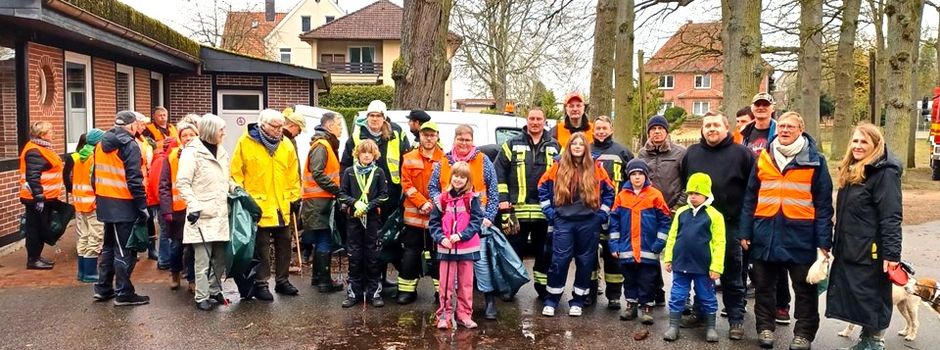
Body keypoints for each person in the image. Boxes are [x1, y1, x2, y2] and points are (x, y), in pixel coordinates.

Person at [739, 112, 834, 350]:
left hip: (800, 235)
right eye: (781, 126)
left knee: (804, 289)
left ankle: (804, 334)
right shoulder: (764, 158)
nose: (784, 130)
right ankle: (765, 328)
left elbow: (824, 205)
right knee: (763, 286)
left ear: (801, 130)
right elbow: (750, 197)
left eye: (790, 126)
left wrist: (824, 242)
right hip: (765, 233)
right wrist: (745, 231)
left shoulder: (816, 161)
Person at [826, 123, 902, 350]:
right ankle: (866, 341)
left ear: (876, 145)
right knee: (859, 296)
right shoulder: (855, 169)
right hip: (851, 246)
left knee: (872, 296)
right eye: (855, 141)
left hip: (872, 250)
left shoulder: (885, 173)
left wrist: (892, 254)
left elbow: (891, 216)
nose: (858, 146)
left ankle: (874, 343)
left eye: (864, 142)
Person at [680, 112, 754, 339]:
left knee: (732, 275)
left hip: (730, 225)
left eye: (716, 125)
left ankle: (736, 318)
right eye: (707, 125)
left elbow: (752, 192)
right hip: (700, 224)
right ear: (702, 129)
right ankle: (701, 312)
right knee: (701, 272)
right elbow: (685, 184)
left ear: (726, 127)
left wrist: (746, 228)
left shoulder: (743, 154)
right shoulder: (692, 154)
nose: (711, 129)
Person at [537, 132, 615, 317]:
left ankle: (578, 301)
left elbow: (610, 192)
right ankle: (551, 300)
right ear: (569, 147)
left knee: (585, 262)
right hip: (563, 222)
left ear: (586, 148)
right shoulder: (558, 166)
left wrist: (601, 215)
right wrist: (550, 213)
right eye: (574, 144)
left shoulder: (596, 168)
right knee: (559, 261)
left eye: (581, 144)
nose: (578, 146)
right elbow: (542, 187)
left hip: (589, 223)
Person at [428, 124, 499, 317]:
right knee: (451, 271)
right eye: (460, 139)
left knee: (481, 265)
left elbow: (493, 190)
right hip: (449, 224)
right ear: (454, 139)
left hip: (477, 221)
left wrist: (489, 216)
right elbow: (432, 187)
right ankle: (449, 310)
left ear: (473, 141)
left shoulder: (483, 160)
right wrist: (440, 203)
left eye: (467, 140)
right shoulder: (444, 161)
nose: (464, 143)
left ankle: (488, 301)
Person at [231, 109, 302, 300]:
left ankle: (282, 280)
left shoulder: (286, 144)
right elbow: (236, 173)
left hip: (281, 203)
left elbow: (293, 174)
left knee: (285, 242)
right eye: (274, 126)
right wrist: (243, 198)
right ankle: (261, 283)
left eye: (281, 126)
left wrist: (295, 197)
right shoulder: (246, 142)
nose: (279, 130)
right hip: (258, 204)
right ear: (262, 125)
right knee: (261, 246)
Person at [340, 100, 409, 288]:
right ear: (367, 117)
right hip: (361, 197)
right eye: (371, 115)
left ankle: (380, 278)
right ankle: (361, 281)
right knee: (360, 241)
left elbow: (406, 160)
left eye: (378, 116)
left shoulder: (397, 133)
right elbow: (345, 164)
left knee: (382, 238)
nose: (375, 119)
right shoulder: (357, 135)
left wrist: (405, 191)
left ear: (384, 118)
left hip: (389, 195)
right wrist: (346, 195)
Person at [495, 107, 560, 298]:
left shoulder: (556, 146)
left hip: (545, 211)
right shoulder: (511, 144)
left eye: (539, 119)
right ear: (527, 120)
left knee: (544, 251)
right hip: (516, 211)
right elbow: (499, 173)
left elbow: (564, 175)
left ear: (544, 121)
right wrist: (503, 200)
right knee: (512, 251)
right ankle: (510, 287)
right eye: (532, 118)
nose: (535, 122)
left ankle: (543, 287)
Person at [93, 111, 151, 306]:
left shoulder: (100, 144)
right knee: (124, 250)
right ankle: (124, 292)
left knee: (109, 247)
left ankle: (103, 288)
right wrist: (142, 205)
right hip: (123, 204)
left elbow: (94, 175)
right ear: (132, 125)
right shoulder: (129, 145)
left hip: (105, 202)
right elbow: (134, 179)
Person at [176, 114, 232, 311]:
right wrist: (193, 206)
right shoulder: (191, 153)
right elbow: (183, 183)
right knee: (202, 259)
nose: (224, 133)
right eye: (221, 130)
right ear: (211, 131)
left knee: (220, 257)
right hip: (201, 214)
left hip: (221, 212)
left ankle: (215, 289)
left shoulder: (222, 151)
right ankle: (201, 296)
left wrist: (236, 189)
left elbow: (226, 179)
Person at [662, 173, 725, 342]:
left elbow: (720, 243)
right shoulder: (681, 212)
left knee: (707, 296)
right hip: (681, 263)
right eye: (690, 193)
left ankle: (710, 327)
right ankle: (673, 326)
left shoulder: (715, 215)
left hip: (703, 266)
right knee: (677, 295)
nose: (693, 197)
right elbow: (672, 236)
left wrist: (716, 267)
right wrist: (668, 258)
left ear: (706, 193)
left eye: (697, 193)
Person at [608, 158, 671, 323]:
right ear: (628, 176)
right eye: (633, 174)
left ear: (646, 176)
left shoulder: (655, 195)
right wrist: (614, 245)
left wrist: (659, 243)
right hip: (627, 248)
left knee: (647, 280)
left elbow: (665, 220)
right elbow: (614, 222)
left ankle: (647, 307)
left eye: (640, 174)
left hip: (648, 249)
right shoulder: (621, 196)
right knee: (629, 279)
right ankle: (631, 306)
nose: (637, 177)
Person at [638, 115, 686, 306]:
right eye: (653, 129)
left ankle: (682, 297)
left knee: (677, 253)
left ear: (666, 131)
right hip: (650, 212)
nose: (656, 132)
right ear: (648, 132)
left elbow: (687, 182)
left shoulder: (680, 153)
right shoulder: (642, 154)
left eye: (660, 128)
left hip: (673, 210)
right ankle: (656, 290)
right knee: (651, 253)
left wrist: (677, 207)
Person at [430, 161, 484, 330]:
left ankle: (464, 315)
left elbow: (476, 221)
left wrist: (461, 235)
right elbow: (434, 223)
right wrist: (441, 238)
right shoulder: (442, 199)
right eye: (456, 175)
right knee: (445, 285)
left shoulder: (473, 198)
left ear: (468, 180)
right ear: (450, 176)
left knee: (466, 285)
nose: (458, 179)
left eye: (463, 177)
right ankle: (443, 316)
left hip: (467, 248)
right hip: (446, 248)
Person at [397, 121, 445, 304]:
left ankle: (441, 293)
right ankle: (406, 291)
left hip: (437, 217)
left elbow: (448, 185)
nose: (429, 138)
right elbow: (406, 184)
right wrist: (421, 203)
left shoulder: (446, 159)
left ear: (437, 136)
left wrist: (433, 204)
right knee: (410, 254)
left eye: (432, 135)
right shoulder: (409, 157)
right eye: (425, 135)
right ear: (420, 136)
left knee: (438, 256)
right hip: (414, 218)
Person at [338, 139, 389, 308]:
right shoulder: (349, 172)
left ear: (375, 155)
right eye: (363, 152)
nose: (366, 155)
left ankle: (374, 292)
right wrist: (354, 203)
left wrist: (369, 206)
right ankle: (354, 292)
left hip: (372, 219)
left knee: (372, 256)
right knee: (354, 255)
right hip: (354, 219)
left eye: (370, 153)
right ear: (357, 154)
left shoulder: (378, 172)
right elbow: (342, 194)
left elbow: (384, 195)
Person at [591, 115, 634, 309]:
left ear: (611, 129)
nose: (601, 131)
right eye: (598, 128)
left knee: (613, 255)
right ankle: (590, 292)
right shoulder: (586, 151)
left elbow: (633, 179)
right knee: (589, 255)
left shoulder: (623, 152)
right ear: (593, 130)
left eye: (604, 128)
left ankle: (614, 295)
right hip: (590, 213)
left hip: (616, 213)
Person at [300, 112, 345, 293]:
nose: (341, 129)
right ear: (330, 126)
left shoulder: (323, 144)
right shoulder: (322, 145)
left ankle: (318, 278)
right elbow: (317, 173)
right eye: (339, 125)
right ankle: (324, 281)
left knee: (321, 238)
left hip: (318, 200)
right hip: (319, 200)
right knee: (324, 238)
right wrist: (337, 190)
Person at [18, 121, 65, 270]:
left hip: (45, 197)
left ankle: (36, 256)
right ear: (42, 134)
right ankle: (33, 259)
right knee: (35, 229)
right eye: (50, 131)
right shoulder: (35, 151)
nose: (53, 133)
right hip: (37, 198)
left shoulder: (43, 148)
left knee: (40, 227)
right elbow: (33, 176)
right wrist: (39, 196)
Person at [158, 121, 198, 290]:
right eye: (184, 135)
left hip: (195, 208)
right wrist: (167, 209)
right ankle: (174, 273)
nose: (188, 138)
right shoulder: (172, 157)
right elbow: (164, 184)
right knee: (176, 246)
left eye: (191, 135)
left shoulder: (201, 155)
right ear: (179, 138)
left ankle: (192, 279)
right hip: (177, 210)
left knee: (193, 248)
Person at [65, 129, 105, 281]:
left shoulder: (79, 157)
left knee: (83, 236)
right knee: (95, 237)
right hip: (92, 203)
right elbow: (95, 181)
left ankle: (82, 272)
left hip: (80, 202)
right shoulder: (94, 158)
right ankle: (90, 273)